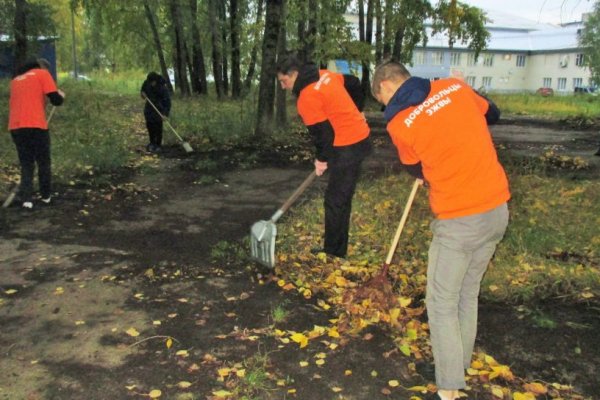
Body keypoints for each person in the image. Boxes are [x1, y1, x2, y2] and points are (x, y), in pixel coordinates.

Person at [371, 61, 510, 400]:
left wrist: (428, 167)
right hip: (496, 210)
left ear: (387, 86)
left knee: (441, 301)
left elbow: (412, 166)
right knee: (466, 292)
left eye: (381, 99)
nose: (384, 106)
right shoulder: (454, 88)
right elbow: (493, 114)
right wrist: (465, 86)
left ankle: (448, 389)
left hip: (459, 220)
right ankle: (457, 364)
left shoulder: (399, 122)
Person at [276, 55, 371, 258]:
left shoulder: (307, 98)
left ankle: (334, 253)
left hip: (347, 147)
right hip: (359, 139)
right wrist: (357, 110)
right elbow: (354, 83)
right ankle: (336, 249)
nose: (283, 87)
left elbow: (323, 136)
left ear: (294, 75)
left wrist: (321, 159)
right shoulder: (325, 75)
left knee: (335, 200)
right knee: (340, 198)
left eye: (284, 81)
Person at [8, 58, 65, 210]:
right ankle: (46, 197)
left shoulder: (16, 80)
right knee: (43, 161)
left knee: (26, 163)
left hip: (16, 127)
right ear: (43, 68)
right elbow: (56, 100)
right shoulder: (42, 74)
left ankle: (27, 200)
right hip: (35, 125)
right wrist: (61, 96)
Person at [140, 72, 171, 153]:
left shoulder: (163, 88)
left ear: (156, 80)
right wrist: (142, 94)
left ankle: (158, 145)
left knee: (158, 127)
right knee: (150, 125)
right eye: (150, 82)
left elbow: (167, 102)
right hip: (149, 108)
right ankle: (152, 143)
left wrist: (165, 114)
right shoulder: (147, 83)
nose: (151, 84)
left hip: (159, 109)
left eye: (152, 82)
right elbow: (143, 91)